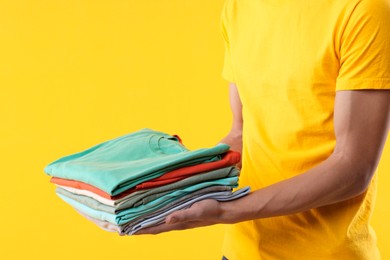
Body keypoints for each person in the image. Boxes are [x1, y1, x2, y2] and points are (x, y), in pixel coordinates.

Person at [136, 0, 390, 259]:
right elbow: (240, 133)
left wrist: (227, 211)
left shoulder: (362, 10)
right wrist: (170, 189)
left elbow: (353, 168)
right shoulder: (237, 8)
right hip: (242, 251)